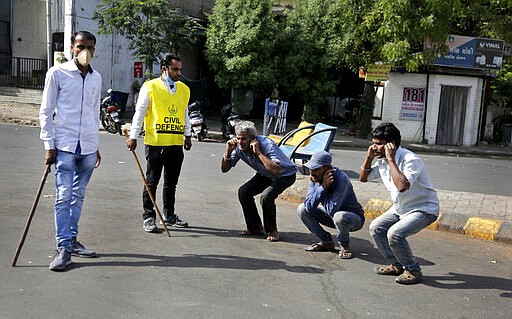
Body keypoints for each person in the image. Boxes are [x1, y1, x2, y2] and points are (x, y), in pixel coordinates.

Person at [39, 31, 102, 271]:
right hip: (63, 147)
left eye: (90, 47)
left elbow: (94, 113)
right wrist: (48, 145)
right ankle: (63, 247)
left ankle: (73, 240)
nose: (85, 51)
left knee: (79, 196)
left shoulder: (96, 78)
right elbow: (46, 111)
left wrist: (95, 145)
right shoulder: (58, 73)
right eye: (80, 46)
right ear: (71, 47)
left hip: (87, 147)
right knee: (63, 197)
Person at [359, 122, 439, 284]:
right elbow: (363, 178)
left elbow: (402, 186)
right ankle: (396, 264)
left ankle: (413, 270)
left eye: (379, 145)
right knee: (376, 228)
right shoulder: (381, 159)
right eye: (373, 143)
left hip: (423, 209)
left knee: (395, 234)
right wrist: (369, 157)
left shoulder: (410, 159)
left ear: (391, 145)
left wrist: (390, 159)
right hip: (400, 208)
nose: (375, 148)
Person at [126, 53, 192, 233]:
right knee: (152, 182)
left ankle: (169, 215)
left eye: (180, 69)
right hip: (156, 142)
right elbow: (139, 113)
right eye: (175, 69)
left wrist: (187, 135)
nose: (179, 73)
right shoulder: (150, 87)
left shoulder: (184, 89)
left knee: (171, 182)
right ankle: (148, 217)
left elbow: (184, 113)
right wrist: (133, 136)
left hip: (175, 143)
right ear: (164, 69)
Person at [221, 121, 297, 241]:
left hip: (285, 175)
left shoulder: (266, 144)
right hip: (265, 174)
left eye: (244, 139)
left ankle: (272, 230)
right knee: (244, 191)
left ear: (253, 139)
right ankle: (255, 227)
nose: (240, 142)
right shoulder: (239, 147)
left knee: (267, 196)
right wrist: (228, 152)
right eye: (238, 138)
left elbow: (276, 171)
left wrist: (258, 152)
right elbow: (224, 169)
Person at [297, 151, 365, 259]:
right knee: (302, 209)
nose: (312, 172)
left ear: (327, 168)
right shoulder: (316, 178)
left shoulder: (341, 180)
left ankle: (344, 245)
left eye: (316, 169)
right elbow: (309, 206)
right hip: (333, 218)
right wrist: (321, 187)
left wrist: (323, 188)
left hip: (353, 219)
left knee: (339, 216)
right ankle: (326, 242)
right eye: (311, 168)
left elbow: (332, 211)